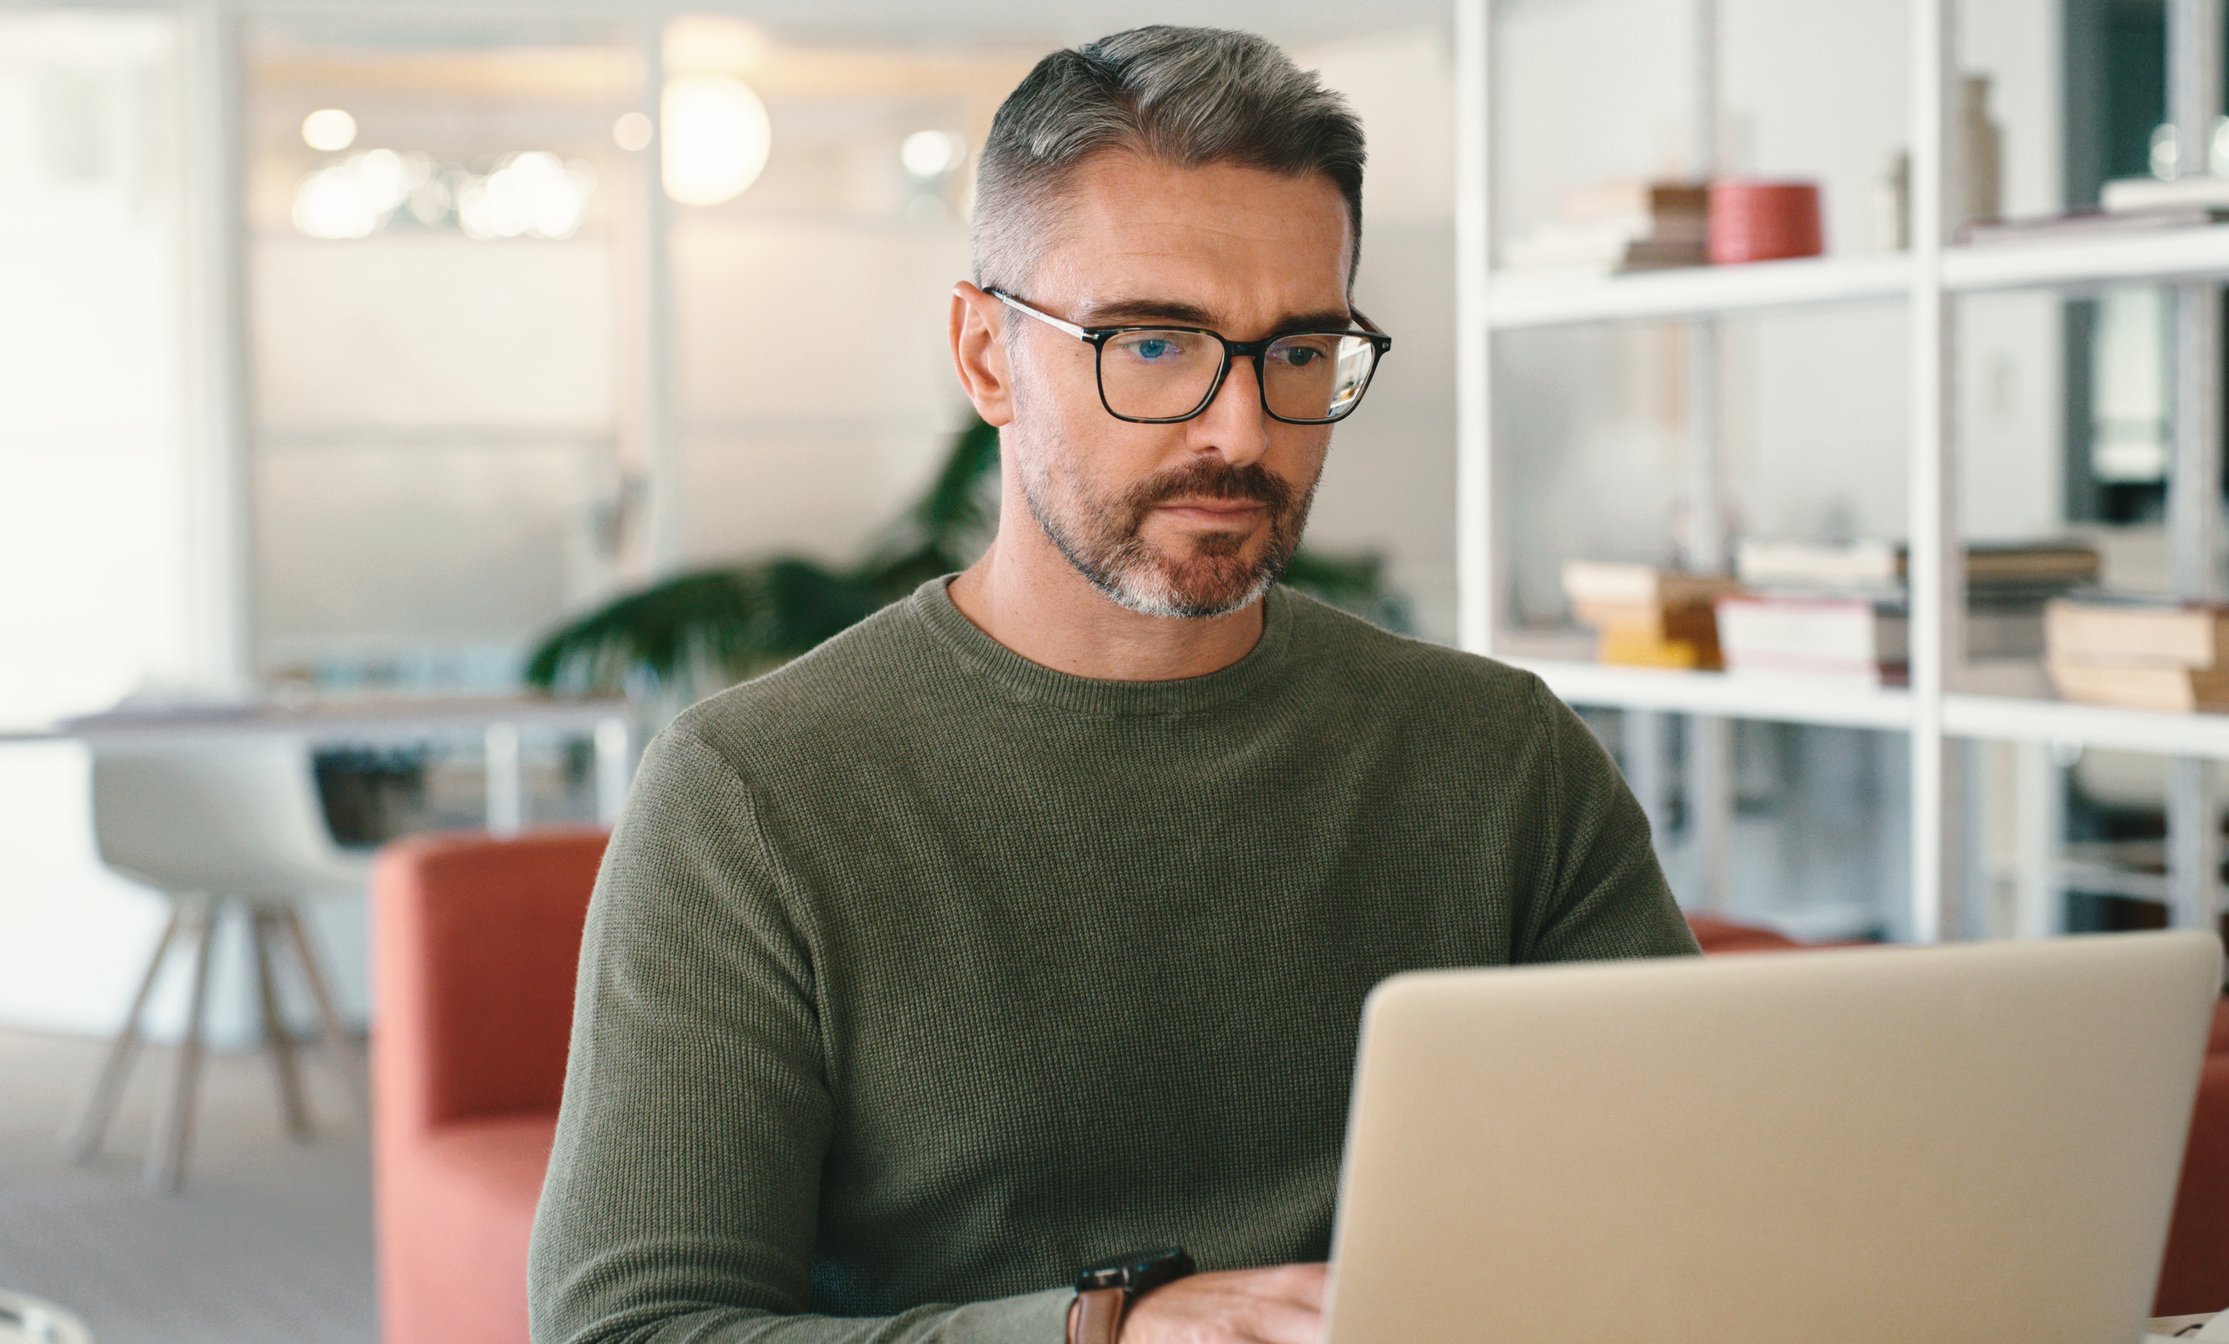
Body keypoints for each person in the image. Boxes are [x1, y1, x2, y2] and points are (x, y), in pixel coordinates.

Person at [528, 24, 1698, 1344]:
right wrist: (1100, 1334)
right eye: (1151, 343)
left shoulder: (1501, 761)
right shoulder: (756, 794)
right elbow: (629, 1329)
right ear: (985, 358)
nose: (1241, 432)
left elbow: (1685, 1208)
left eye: (1299, 352)